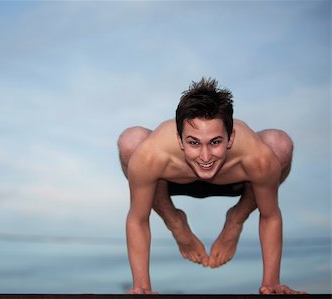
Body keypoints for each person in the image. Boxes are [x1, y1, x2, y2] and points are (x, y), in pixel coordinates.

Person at [117, 78, 306, 295]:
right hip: (171, 180)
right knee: (131, 142)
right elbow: (137, 218)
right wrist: (142, 288)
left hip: (235, 180)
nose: (205, 156)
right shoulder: (152, 155)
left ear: (230, 138)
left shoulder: (257, 157)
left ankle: (235, 217)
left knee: (279, 144)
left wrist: (271, 283)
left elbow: (270, 215)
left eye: (215, 142)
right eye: (194, 142)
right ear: (179, 140)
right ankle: (175, 219)